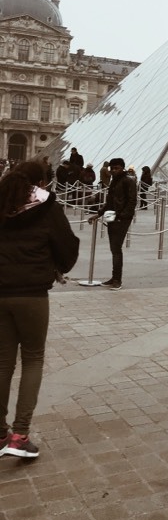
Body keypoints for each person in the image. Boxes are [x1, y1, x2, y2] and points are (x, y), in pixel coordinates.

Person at [0, 160, 79, 459]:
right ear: (41, 182)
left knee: (2, 362)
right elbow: (67, 247)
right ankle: (20, 435)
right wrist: (57, 266)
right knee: (32, 360)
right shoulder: (47, 208)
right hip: (32, 296)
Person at [87, 157, 137, 291]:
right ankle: (114, 278)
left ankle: (117, 280)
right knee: (114, 249)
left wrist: (122, 216)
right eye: (112, 168)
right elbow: (109, 201)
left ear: (123, 168)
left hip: (121, 219)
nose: (114, 170)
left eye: (117, 168)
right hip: (112, 217)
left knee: (116, 249)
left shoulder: (128, 181)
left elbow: (132, 202)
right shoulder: (115, 181)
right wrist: (98, 214)